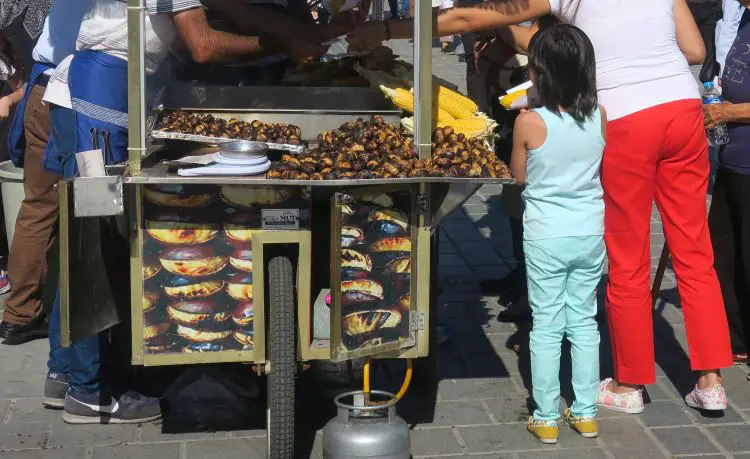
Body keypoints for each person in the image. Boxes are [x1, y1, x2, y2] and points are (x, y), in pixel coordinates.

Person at [349, 0, 734, 413]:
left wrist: (387, 29)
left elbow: (467, 17)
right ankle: (710, 382)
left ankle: (628, 384)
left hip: (627, 118)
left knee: (627, 256)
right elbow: (694, 51)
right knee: (695, 252)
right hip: (682, 107)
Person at [39, 0, 322, 424]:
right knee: (95, 238)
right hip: (98, 89)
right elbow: (203, 45)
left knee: (85, 235)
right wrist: (283, 42)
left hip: (104, 86)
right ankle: (89, 391)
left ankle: (65, 371)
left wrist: (297, 33)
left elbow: (234, 9)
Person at [511, 23, 605, 444]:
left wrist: (525, 116)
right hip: (589, 232)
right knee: (584, 322)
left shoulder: (529, 123)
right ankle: (585, 412)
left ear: (539, 74)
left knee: (546, 325)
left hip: (546, 235)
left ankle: (547, 416)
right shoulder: (601, 116)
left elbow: (519, 177)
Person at [0, 0, 93, 346]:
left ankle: (20, 314)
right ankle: (31, 314)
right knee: (84, 210)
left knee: (37, 208)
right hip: (75, 94)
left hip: (44, 88)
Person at [705, 1, 750, 366]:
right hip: (732, 160)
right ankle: (737, 337)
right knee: (724, 251)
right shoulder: (746, 18)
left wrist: (730, 112)